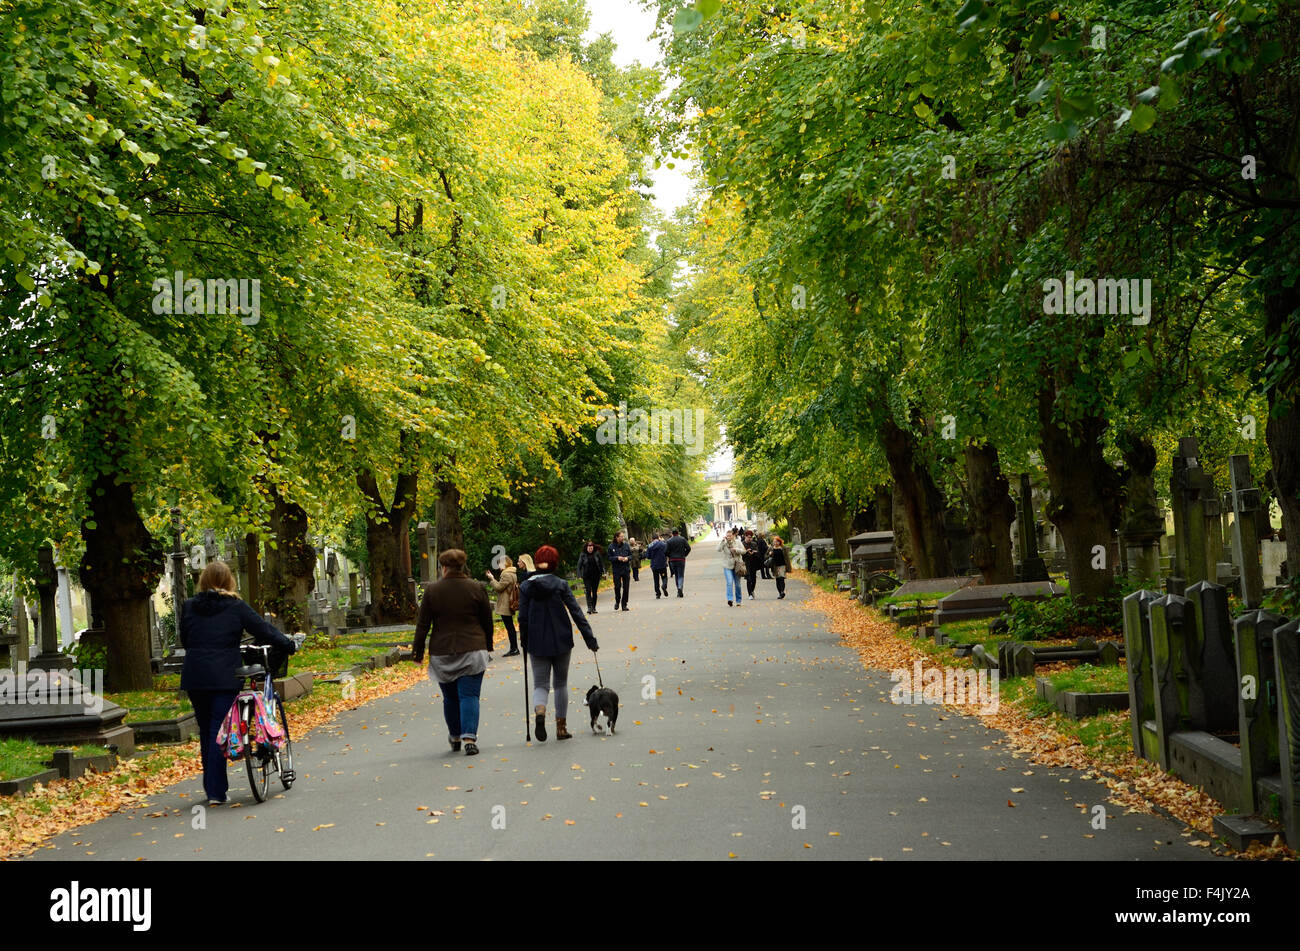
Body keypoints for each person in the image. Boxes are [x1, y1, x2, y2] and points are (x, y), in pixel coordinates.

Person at [181, 560, 298, 805]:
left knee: (206, 731)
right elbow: (264, 629)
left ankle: (214, 789)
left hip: (195, 676)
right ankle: (214, 792)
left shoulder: (190, 606)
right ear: (228, 581)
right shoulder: (235, 606)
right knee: (216, 730)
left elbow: (185, 638)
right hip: (224, 676)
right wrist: (288, 644)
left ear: (203, 581)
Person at [412, 549, 494, 756]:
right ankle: (469, 738)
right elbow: (487, 620)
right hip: (473, 649)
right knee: (470, 695)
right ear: (462, 566)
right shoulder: (477, 588)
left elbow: (423, 625)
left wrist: (418, 653)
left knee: (450, 698)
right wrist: (488, 644)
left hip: (443, 651)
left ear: (444, 567)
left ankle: (455, 735)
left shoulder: (432, 591)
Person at [519, 544, 598, 741]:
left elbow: (522, 618)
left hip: (537, 641)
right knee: (561, 683)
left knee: (540, 684)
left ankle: (540, 712)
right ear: (554, 563)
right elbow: (576, 612)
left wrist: (524, 640)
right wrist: (589, 638)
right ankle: (561, 728)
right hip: (561, 639)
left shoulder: (526, 586)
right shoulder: (561, 584)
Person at [484, 556, 520, 657]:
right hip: (508, 602)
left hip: (506, 604)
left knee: (509, 627)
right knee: (510, 626)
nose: (499, 566)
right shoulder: (512, 573)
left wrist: (491, 579)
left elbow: (499, 588)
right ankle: (514, 648)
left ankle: (514, 648)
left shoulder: (507, 574)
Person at [718, 529, 746, 606]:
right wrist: (722, 542)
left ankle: (738, 600)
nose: (729, 537)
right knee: (729, 582)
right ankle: (730, 599)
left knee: (737, 584)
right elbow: (718, 549)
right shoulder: (724, 543)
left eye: (730, 536)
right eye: (727, 536)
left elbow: (744, 551)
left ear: (733, 536)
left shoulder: (738, 542)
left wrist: (736, 550)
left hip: (737, 565)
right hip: (727, 565)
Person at [607, 530, 632, 611]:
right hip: (617, 570)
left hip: (625, 569)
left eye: (623, 536)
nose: (622, 538)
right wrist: (617, 558)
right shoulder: (611, 547)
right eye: (621, 536)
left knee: (626, 587)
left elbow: (631, 555)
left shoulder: (626, 545)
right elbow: (609, 558)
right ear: (616, 537)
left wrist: (627, 558)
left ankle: (624, 604)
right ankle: (617, 601)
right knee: (617, 587)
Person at [577, 540, 604, 614]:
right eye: (589, 547)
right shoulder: (583, 554)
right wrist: (579, 574)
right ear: (586, 548)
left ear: (593, 547)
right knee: (588, 591)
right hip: (586, 576)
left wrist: (603, 571)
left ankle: (594, 607)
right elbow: (579, 565)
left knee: (594, 592)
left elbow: (601, 563)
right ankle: (589, 607)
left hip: (596, 576)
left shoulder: (597, 553)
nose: (590, 549)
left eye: (591, 547)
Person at [665, 528, 691, 597]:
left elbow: (665, 552)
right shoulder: (682, 539)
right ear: (678, 533)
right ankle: (680, 587)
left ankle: (678, 589)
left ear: (672, 533)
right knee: (681, 575)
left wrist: (670, 556)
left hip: (673, 560)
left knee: (676, 575)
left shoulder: (669, 541)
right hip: (681, 559)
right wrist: (684, 555)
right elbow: (688, 548)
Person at [646, 533, 669, 598]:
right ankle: (664, 585)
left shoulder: (649, 546)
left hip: (654, 565)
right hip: (662, 564)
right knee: (664, 577)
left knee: (656, 579)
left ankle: (658, 594)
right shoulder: (663, 544)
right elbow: (666, 552)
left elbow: (647, 556)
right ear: (658, 537)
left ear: (652, 539)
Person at [769, 535, 790, 599]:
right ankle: (780, 593)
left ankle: (782, 591)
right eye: (774, 542)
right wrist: (770, 554)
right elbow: (766, 556)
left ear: (780, 542)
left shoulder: (783, 548)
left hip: (782, 565)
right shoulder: (771, 548)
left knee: (781, 578)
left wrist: (788, 566)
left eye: (777, 541)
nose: (776, 543)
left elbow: (787, 558)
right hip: (775, 566)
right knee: (777, 580)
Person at [743, 530, 762, 599]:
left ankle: (752, 590)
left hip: (753, 563)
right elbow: (740, 554)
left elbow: (758, 552)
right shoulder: (742, 544)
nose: (750, 539)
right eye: (748, 537)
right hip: (746, 563)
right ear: (745, 536)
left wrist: (754, 552)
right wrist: (746, 552)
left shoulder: (754, 544)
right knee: (748, 578)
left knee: (753, 579)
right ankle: (750, 594)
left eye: (751, 537)